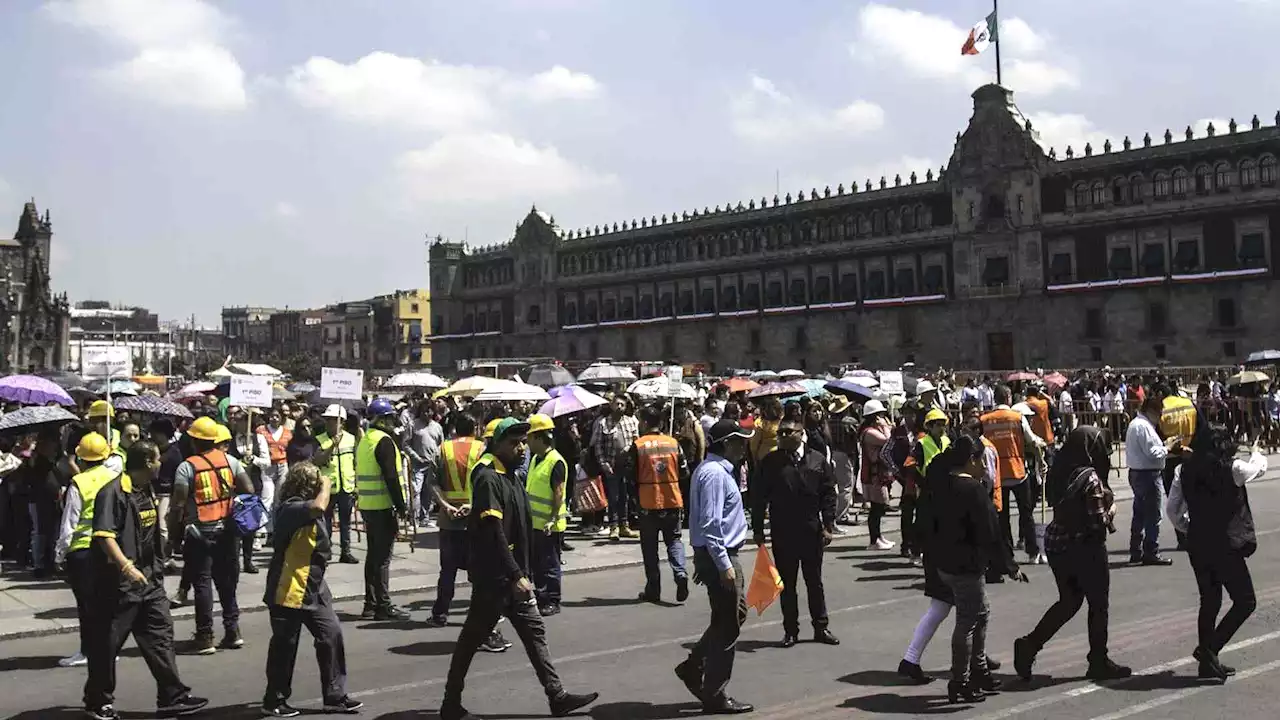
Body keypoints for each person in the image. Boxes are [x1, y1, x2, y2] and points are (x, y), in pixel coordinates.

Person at [440, 418, 599, 720]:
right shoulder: (489, 477)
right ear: (497, 445)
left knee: (534, 633)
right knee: (471, 641)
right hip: (496, 579)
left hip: (514, 577)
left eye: (523, 441)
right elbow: (493, 531)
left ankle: (557, 696)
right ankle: (450, 704)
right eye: (514, 442)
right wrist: (515, 574)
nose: (522, 447)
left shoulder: (511, 475)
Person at [83, 441, 208, 720]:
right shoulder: (112, 492)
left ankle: (172, 697)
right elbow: (104, 535)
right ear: (148, 463)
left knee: (160, 637)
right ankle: (97, 701)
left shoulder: (145, 489)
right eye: (157, 459)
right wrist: (127, 567)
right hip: (120, 585)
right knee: (108, 644)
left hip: (150, 582)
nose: (161, 462)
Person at [1014, 426, 1132, 682]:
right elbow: (1098, 520)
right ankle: (1098, 660)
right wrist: (1112, 512)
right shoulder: (1089, 477)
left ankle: (1030, 644)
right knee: (1098, 604)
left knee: (1069, 601)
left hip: (1059, 544)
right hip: (1085, 546)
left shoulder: (1061, 469)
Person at [925, 436, 1025, 704]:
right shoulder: (972, 490)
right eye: (982, 460)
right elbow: (992, 533)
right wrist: (1009, 566)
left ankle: (978, 669)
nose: (985, 466)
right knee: (968, 620)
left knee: (981, 613)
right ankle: (961, 680)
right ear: (971, 460)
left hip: (945, 562)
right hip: (965, 565)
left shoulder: (943, 483)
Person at [1166, 424, 1268, 681]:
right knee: (1245, 601)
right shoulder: (1232, 468)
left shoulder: (1183, 469)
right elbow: (1257, 469)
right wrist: (1256, 451)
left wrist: (1189, 528)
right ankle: (1209, 650)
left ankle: (1207, 665)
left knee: (1209, 600)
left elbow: (1172, 510)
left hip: (1198, 543)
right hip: (1225, 544)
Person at [261, 462, 363, 717]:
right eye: (317, 482)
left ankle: (335, 695)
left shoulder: (306, 508)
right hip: (289, 586)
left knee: (331, 635)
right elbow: (318, 506)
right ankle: (275, 699)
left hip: (314, 586)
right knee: (285, 646)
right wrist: (327, 485)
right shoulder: (290, 509)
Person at [676, 418, 756, 715]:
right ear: (726, 444)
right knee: (728, 625)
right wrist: (722, 564)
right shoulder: (714, 474)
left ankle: (694, 664)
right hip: (721, 554)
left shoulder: (715, 471)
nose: (743, 446)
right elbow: (710, 523)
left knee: (733, 615)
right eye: (739, 441)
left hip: (717, 553)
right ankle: (715, 692)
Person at [167, 417, 255, 654]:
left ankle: (205, 636)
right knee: (227, 584)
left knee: (202, 583)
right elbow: (249, 490)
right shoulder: (231, 461)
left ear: (195, 440)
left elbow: (177, 504)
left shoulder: (187, 466)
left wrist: (173, 535)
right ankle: (233, 632)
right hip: (227, 531)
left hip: (199, 533)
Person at [752, 417, 839, 648]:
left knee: (814, 582)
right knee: (788, 585)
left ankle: (821, 627)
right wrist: (758, 529)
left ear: (800, 433)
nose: (781, 436)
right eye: (780, 433)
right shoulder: (771, 462)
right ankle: (791, 630)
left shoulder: (817, 459)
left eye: (787, 432)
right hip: (783, 531)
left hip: (811, 529)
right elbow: (759, 497)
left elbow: (829, 494)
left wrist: (828, 525)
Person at [54, 432, 119, 669]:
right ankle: (108, 649)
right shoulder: (117, 478)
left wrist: (59, 554)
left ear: (81, 458)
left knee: (87, 605)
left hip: (82, 550)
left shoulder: (79, 483)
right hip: (111, 549)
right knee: (107, 603)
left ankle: (87, 651)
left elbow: (69, 523)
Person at [427, 414, 487, 627]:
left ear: (454, 429)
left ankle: (440, 614)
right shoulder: (482, 449)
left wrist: (445, 506)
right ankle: (478, 617)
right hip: (477, 519)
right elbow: (490, 483)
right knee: (480, 572)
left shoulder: (443, 449)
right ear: (474, 428)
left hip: (449, 520)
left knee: (448, 570)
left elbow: (432, 482)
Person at [355, 397, 411, 621]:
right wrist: (401, 505)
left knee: (373, 557)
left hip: (368, 506)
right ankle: (383, 605)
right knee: (383, 559)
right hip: (383, 507)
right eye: (389, 418)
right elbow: (390, 476)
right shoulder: (384, 441)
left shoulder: (366, 439)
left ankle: (370, 603)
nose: (392, 422)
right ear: (382, 419)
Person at [981, 385, 1046, 565]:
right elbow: (1032, 440)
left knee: (1002, 517)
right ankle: (1033, 552)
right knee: (1026, 514)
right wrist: (1044, 446)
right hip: (1017, 471)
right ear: (1008, 398)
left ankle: (1007, 555)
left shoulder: (985, 420)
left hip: (996, 475)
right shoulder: (1017, 418)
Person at [1124, 396, 1181, 566]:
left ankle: (1136, 549)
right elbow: (1152, 453)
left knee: (1140, 512)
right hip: (1148, 474)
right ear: (1151, 411)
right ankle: (1151, 551)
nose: (1160, 418)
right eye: (1159, 413)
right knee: (1153, 514)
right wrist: (1168, 447)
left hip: (1138, 473)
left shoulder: (1137, 424)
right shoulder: (1143, 426)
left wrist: (1164, 445)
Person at [525, 413, 570, 615]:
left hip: (549, 525)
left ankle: (553, 600)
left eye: (529, 437)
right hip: (535, 522)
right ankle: (541, 597)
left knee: (550, 565)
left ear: (538, 437)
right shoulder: (536, 459)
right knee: (537, 565)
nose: (526, 442)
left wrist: (552, 519)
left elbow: (558, 493)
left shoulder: (556, 461)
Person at [315, 405, 360, 565]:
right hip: (327, 486)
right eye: (327, 420)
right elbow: (318, 460)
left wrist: (356, 485)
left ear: (342, 422)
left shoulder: (351, 438)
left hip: (346, 486)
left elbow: (355, 462)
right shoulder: (320, 439)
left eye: (333, 420)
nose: (329, 423)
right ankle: (326, 552)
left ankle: (345, 552)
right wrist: (332, 445)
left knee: (345, 522)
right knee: (325, 522)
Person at [858, 400, 895, 551]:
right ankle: (874, 540)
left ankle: (878, 537)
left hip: (878, 473)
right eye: (880, 415)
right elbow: (888, 440)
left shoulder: (872, 430)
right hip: (874, 475)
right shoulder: (869, 432)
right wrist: (885, 426)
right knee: (876, 508)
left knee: (879, 508)